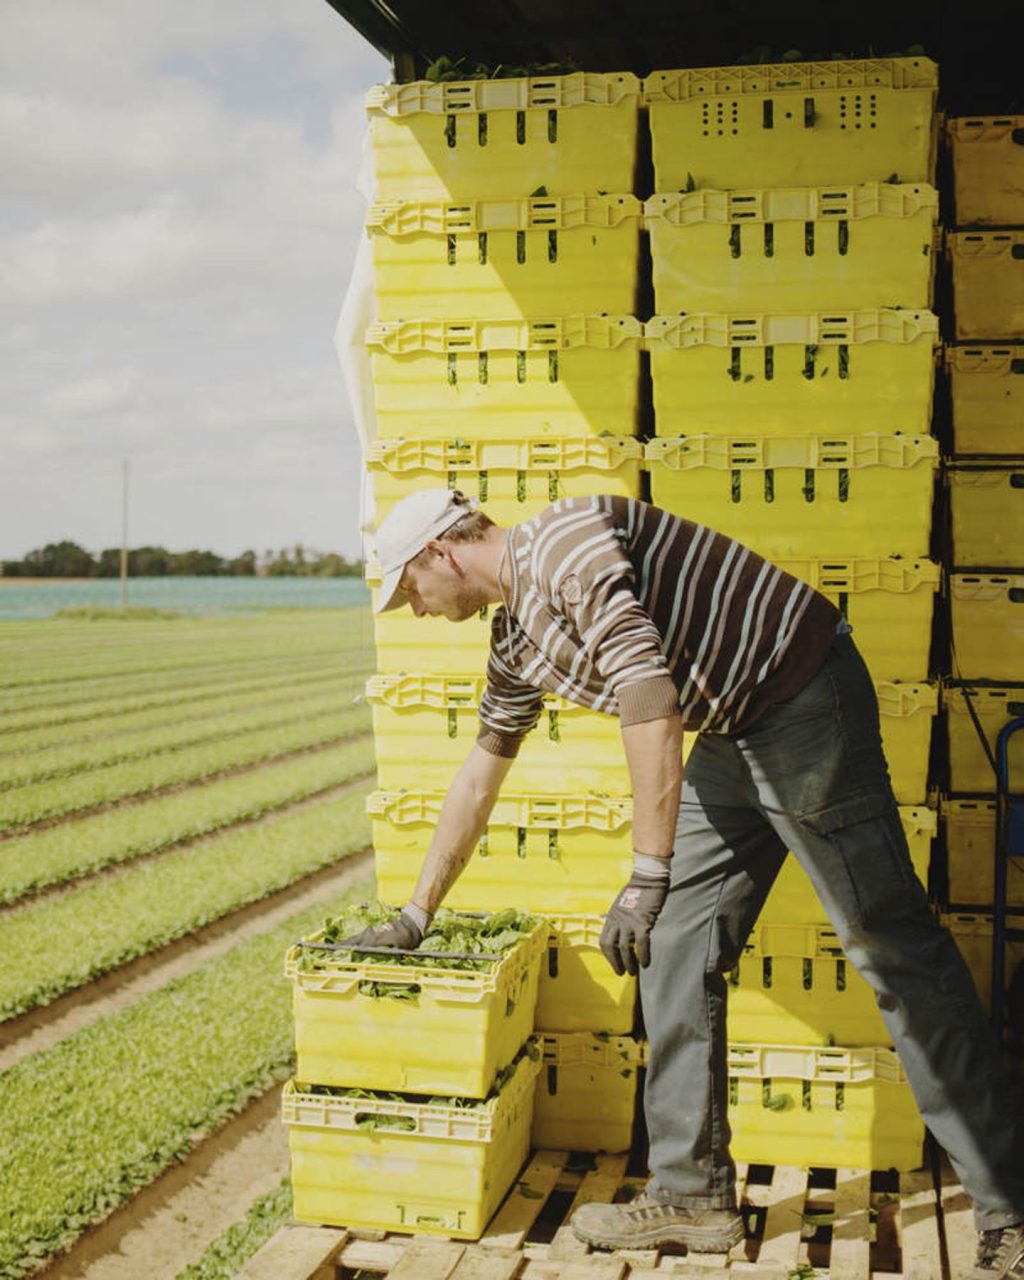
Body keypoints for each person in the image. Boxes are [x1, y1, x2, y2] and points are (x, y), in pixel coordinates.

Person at [347, 486, 1024, 1279]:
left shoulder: (566, 545)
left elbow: (650, 695)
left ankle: (1010, 1206)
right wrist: (417, 914)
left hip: (800, 694)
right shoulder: (517, 638)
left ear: (440, 552)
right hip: (734, 726)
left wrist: (646, 873)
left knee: (891, 950)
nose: (414, 609)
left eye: (410, 591)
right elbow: (479, 774)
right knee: (674, 940)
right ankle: (694, 1193)